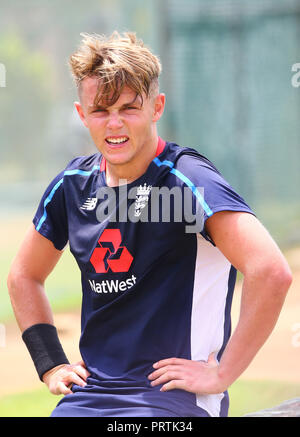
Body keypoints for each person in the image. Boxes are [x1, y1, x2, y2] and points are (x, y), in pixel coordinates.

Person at [7, 31, 292, 418]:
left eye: (129, 108)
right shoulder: (71, 186)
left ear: (157, 107)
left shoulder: (188, 180)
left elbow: (271, 271)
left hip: (171, 400)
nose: (114, 124)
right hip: (89, 399)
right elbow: (24, 275)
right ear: (81, 115)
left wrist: (222, 373)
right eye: (101, 111)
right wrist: (51, 363)